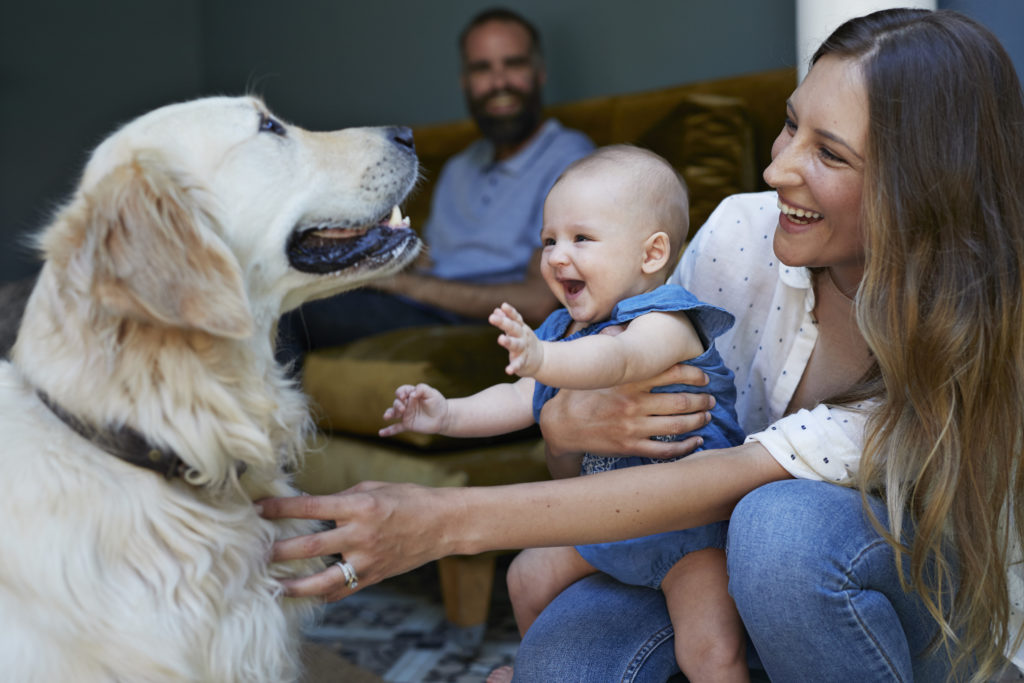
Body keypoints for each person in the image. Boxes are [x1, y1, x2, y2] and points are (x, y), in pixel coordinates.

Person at [260, 9, 1024, 681]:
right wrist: (564, 424)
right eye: (792, 124)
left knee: (783, 528)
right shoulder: (738, 234)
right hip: (710, 563)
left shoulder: (962, 331)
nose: (776, 166)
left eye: (829, 153)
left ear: (917, 188)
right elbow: (612, 449)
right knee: (561, 662)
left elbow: (728, 478)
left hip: (914, 610)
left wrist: (439, 519)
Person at [379, 146, 748, 682]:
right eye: (549, 240)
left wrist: (546, 359)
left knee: (709, 653)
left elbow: (619, 359)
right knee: (526, 578)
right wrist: (445, 417)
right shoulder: (565, 330)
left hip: (688, 533)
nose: (555, 255)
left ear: (650, 255)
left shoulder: (667, 319)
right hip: (606, 522)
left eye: (581, 239)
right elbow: (515, 400)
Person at [276, 7, 594, 372]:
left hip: (478, 323)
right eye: (482, 68)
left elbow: (540, 301)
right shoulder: (459, 168)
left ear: (539, 73)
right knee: (285, 286)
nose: (498, 82)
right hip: (418, 306)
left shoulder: (570, 159)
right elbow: (432, 258)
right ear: (465, 81)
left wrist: (397, 285)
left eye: (514, 64)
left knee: (291, 310)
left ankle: (266, 430)